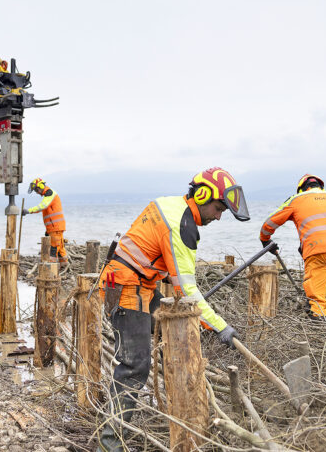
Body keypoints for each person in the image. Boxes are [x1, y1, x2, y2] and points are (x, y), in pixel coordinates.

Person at [96, 167, 249, 452]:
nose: (218, 216)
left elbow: (151, 253)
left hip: (139, 282)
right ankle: (108, 445)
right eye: (218, 208)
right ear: (202, 196)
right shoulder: (183, 225)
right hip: (127, 288)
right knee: (134, 367)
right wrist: (220, 326)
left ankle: (182, 414)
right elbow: (187, 292)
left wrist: (167, 275)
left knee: (172, 341)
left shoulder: (172, 205)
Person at [259, 174, 326, 324]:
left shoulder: (297, 199)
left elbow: (269, 224)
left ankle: (324, 337)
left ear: (301, 189)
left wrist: (265, 240)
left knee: (317, 296)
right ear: (320, 187)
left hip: (318, 250)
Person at [24, 177, 68, 269]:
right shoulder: (48, 195)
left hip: (56, 227)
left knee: (54, 248)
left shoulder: (49, 193)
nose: (36, 192)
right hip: (54, 227)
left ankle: (51, 269)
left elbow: (42, 206)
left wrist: (29, 211)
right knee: (59, 247)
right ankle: (64, 266)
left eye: (36, 189)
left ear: (40, 186)